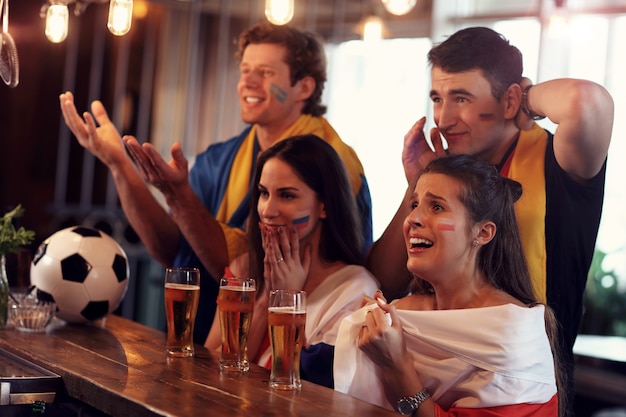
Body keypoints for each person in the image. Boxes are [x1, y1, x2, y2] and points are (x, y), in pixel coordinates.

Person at [59, 22, 373, 344]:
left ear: (304, 88)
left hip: (296, 335)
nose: (246, 81)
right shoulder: (221, 158)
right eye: (245, 69)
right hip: (214, 339)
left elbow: (256, 271)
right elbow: (176, 250)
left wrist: (179, 196)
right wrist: (119, 166)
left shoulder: (335, 163)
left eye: (265, 72)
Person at [366, 26, 613, 414]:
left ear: (509, 99)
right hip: (432, 373)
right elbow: (385, 278)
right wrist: (416, 186)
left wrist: (524, 99)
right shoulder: (449, 177)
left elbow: (587, 101)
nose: (444, 119)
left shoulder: (558, 161)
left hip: (525, 381)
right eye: (437, 98)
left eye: (461, 98)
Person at [335, 154, 563, 416]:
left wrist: (397, 366)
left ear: (482, 233)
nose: (412, 220)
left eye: (437, 207)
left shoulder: (513, 332)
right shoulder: (403, 313)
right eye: (414, 205)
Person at [205, 134, 379, 389]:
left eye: (286, 196)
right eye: (264, 193)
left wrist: (288, 301)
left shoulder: (355, 287)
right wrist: (267, 299)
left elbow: (313, 388)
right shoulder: (243, 268)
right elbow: (209, 366)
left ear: (324, 206)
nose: (267, 209)